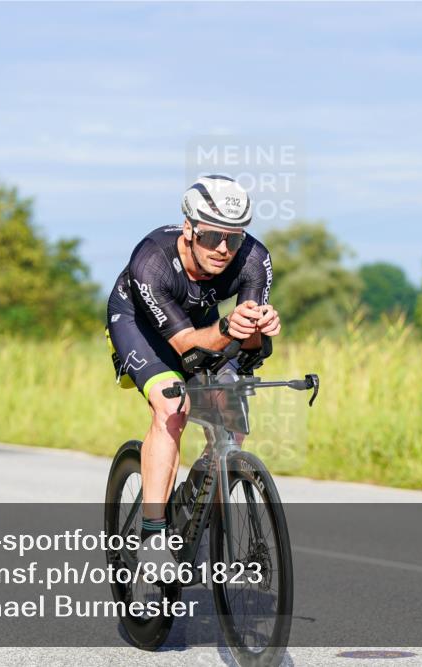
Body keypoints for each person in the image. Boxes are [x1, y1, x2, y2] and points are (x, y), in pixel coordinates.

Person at [105, 174, 280, 562]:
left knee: (232, 419)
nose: (223, 249)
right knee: (173, 406)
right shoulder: (151, 260)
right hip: (142, 325)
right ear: (189, 229)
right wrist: (226, 326)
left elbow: (248, 342)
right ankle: (152, 535)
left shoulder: (255, 259)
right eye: (211, 237)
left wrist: (258, 328)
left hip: (203, 323)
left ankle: (193, 501)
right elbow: (184, 347)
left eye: (233, 239)